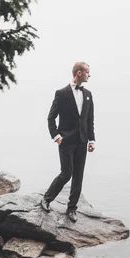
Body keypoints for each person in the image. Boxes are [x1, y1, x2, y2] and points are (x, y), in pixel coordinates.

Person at [40, 62, 96, 222]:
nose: (89, 75)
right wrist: (56, 136)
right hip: (66, 140)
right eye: (87, 72)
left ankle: (72, 209)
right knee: (66, 173)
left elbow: (89, 119)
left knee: (78, 175)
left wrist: (91, 140)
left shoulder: (88, 94)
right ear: (79, 73)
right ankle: (46, 199)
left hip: (82, 141)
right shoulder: (61, 93)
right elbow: (51, 117)